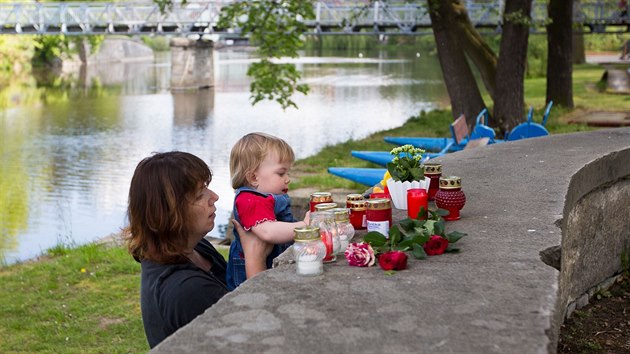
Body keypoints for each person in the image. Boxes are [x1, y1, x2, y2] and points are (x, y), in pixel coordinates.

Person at [125, 151, 271, 348]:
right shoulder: (186, 289)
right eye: (200, 193)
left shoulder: (194, 248)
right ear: (171, 211)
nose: (214, 197)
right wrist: (255, 259)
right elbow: (257, 335)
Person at [226, 132, 310, 290]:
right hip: (248, 272)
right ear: (253, 178)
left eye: (287, 173)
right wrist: (304, 225)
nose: (288, 178)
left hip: (272, 257)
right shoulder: (248, 200)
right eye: (281, 173)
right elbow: (268, 231)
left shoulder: (266, 197)